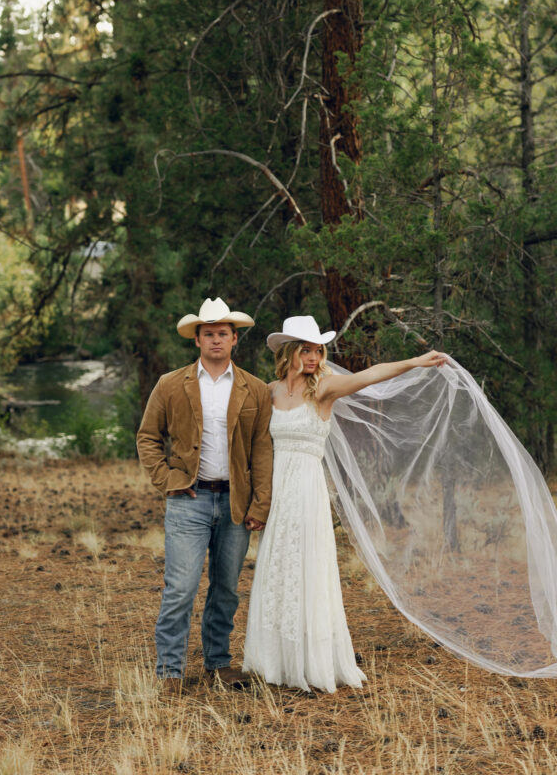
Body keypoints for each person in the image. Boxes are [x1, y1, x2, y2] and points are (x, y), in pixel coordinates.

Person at [243, 315, 447, 693]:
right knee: (279, 568)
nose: (314, 356)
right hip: (278, 491)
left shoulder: (324, 389)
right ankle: (276, 662)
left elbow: (371, 375)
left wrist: (415, 361)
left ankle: (312, 662)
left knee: (307, 567)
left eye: (318, 350)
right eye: (306, 349)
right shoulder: (269, 391)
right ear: (288, 352)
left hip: (305, 490)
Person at [137, 297, 273, 692]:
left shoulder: (256, 390)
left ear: (234, 340)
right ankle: (170, 672)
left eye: (223, 334)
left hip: (235, 502)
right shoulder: (170, 384)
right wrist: (167, 479)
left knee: (226, 588)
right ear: (197, 340)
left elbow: (263, 449)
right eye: (209, 334)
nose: (216, 340)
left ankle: (218, 663)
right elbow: (148, 437)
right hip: (188, 500)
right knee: (180, 588)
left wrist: (260, 503)